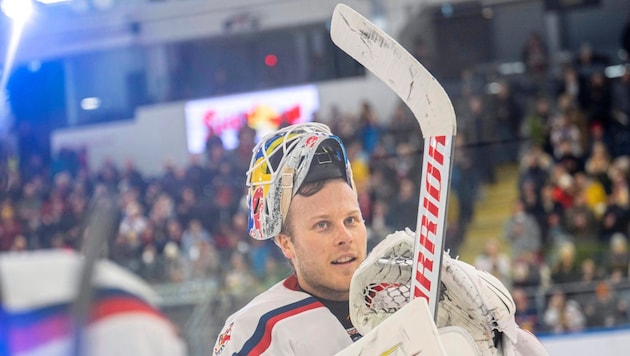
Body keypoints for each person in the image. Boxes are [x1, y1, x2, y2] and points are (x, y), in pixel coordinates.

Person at [213, 123, 548, 355]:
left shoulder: (415, 295)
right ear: (286, 243)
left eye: (351, 220)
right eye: (322, 226)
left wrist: (503, 342)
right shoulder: (254, 333)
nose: (344, 237)